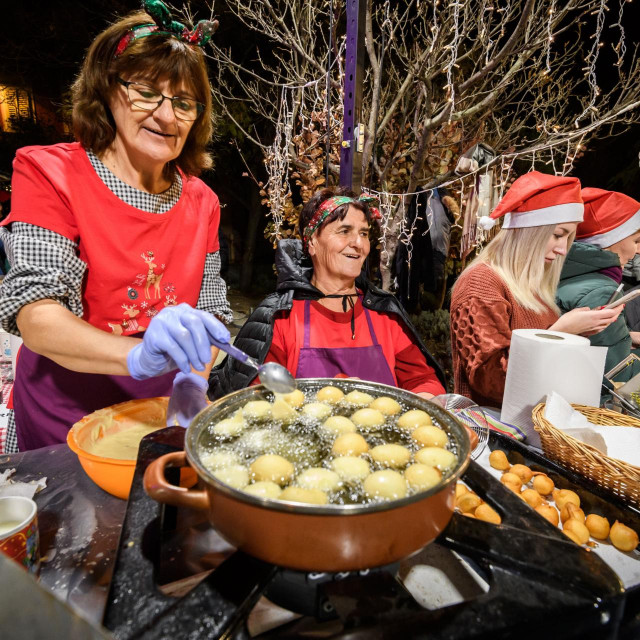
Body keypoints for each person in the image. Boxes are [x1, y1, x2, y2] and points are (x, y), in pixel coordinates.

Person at [0, 2, 233, 451]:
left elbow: (212, 308)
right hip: (63, 419)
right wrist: (138, 356)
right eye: (146, 91)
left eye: (183, 102)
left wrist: (194, 375)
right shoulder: (50, 172)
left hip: (160, 414)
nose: (167, 116)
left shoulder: (201, 200)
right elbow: (38, 316)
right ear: (107, 90)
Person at [210, 187, 446, 398]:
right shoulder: (282, 318)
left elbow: (425, 381)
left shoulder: (384, 315)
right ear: (312, 242)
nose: (358, 243)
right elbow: (256, 400)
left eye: (363, 233)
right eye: (344, 231)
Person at [450, 172, 622, 406]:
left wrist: (581, 330)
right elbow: (491, 380)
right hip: (494, 429)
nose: (563, 249)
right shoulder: (482, 282)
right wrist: (561, 333)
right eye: (557, 235)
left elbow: (542, 363)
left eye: (569, 238)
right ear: (530, 232)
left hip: (534, 423)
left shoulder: (533, 286)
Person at [557, 188, 640, 379]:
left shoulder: (570, 274)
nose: (637, 251)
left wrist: (627, 336)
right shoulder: (602, 291)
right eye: (635, 241)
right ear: (611, 239)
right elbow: (614, 375)